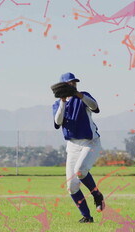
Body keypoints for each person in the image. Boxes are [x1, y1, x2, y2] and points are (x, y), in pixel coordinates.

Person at [52, 72, 105, 223]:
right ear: (63, 85)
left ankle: (96, 195)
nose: (73, 85)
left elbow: (95, 107)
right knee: (72, 186)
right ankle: (87, 217)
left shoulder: (82, 97)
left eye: (74, 82)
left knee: (80, 171)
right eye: (70, 83)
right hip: (73, 145)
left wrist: (79, 95)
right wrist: (62, 101)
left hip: (90, 142)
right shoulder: (57, 104)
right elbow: (57, 122)